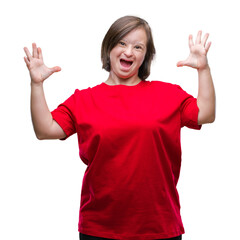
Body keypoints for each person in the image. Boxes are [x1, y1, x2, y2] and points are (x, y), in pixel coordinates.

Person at [24, 16, 215, 240]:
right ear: (109, 48)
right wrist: (36, 84)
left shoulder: (168, 94)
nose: (129, 52)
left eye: (138, 47)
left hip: (159, 227)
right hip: (99, 229)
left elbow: (206, 114)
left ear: (145, 56)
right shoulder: (84, 100)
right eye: (122, 43)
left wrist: (203, 69)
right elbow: (44, 129)